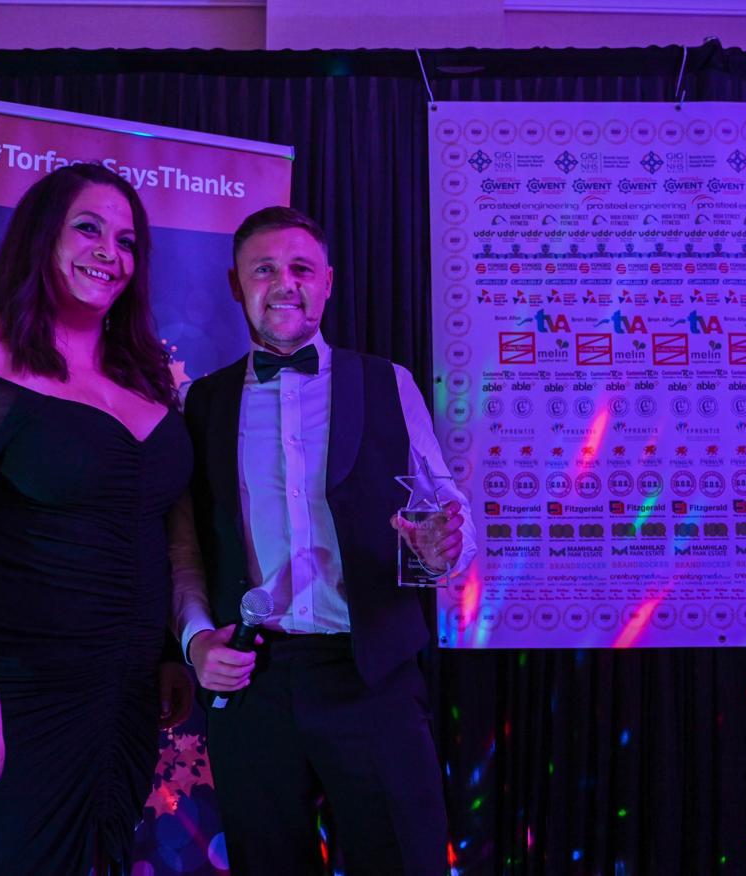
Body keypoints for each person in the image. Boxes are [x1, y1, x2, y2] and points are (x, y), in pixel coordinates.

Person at [170, 205, 476, 875]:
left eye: (301, 268)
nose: (285, 283)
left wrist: (442, 548)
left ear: (328, 282)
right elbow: (186, 547)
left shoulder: (388, 382)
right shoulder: (202, 403)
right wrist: (195, 642)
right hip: (253, 678)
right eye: (264, 269)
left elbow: (446, 508)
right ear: (236, 285)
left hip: (372, 671)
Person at [0, 163, 193, 874]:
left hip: (125, 696)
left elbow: (157, 527)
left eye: (127, 241)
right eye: (89, 229)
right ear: (42, 236)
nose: (110, 252)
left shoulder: (144, 374)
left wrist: (170, 650)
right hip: (12, 689)